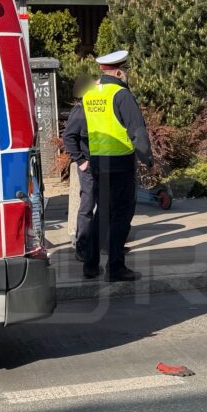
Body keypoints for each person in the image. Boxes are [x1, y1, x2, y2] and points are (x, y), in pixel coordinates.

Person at [75, 50, 153, 282]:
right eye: (126, 70)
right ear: (119, 71)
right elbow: (137, 132)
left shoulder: (90, 95)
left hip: (98, 162)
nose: (127, 75)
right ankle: (116, 267)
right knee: (121, 215)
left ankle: (90, 265)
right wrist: (147, 159)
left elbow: (84, 128)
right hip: (120, 163)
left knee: (102, 214)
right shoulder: (121, 95)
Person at [62, 75, 96, 262]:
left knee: (104, 204)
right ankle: (82, 248)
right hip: (88, 165)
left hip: (101, 163)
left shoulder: (95, 109)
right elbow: (68, 137)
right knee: (88, 204)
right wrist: (81, 160)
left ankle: (104, 244)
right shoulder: (81, 110)